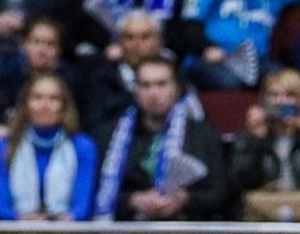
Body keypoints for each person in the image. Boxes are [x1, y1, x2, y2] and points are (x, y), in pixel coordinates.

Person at [93, 57, 227, 221]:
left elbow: (219, 193)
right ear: (136, 92)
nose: (153, 93)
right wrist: (133, 200)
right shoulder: (109, 135)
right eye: (145, 85)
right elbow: (96, 190)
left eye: (161, 84)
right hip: (128, 225)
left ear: (176, 90)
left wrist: (186, 199)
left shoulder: (204, 134)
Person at [0, 72, 98, 221]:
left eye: (53, 98)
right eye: (37, 98)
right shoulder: (3, 146)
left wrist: (58, 223)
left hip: (67, 229)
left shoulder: (83, 146)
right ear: (25, 105)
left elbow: (81, 208)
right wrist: (28, 221)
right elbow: (1, 208)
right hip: (17, 228)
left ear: (64, 106)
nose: (45, 105)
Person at [229, 68, 300, 221]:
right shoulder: (249, 138)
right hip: (261, 215)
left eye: (289, 95)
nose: (280, 101)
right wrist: (257, 140)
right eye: (273, 95)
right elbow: (239, 184)